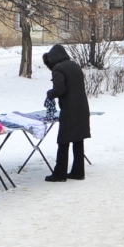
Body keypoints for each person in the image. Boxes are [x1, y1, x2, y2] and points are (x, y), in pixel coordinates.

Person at [42, 44, 90, 182]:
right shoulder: (74, 65)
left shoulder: (58, 68)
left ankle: (60, 174)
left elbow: (59, 90)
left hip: (70, 109)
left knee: (63, 140)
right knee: (78, 139)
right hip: (82, 107)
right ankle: (78, 172)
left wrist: (49, 94)